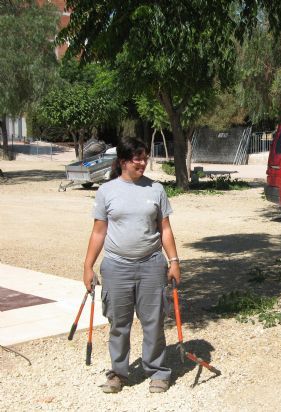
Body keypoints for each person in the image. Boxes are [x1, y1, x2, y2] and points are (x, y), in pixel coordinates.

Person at [83, 137, 181, 393]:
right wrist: (88, 266)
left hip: (151, 265)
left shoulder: (156, 189)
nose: (143, 162)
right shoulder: (107, 191)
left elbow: (165, 230)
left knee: (154, 322)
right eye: (137, 158)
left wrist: (174, 261)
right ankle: (118, 373)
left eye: (145, 157)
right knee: (119, 324)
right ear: (123, 161)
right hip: (116, 267)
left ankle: (158, 371)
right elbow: (98, 232)